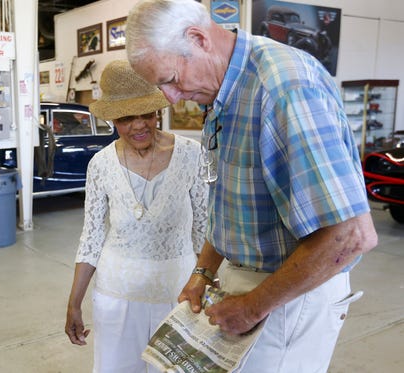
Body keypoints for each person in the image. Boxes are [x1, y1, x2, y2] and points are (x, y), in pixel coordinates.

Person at [125, 1, 379, 372]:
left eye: (170, 79)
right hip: (250, 279)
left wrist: (254, 306)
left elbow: (350, 236)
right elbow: (229, 199)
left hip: (292, 293)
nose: (170, 98)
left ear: (198, 39)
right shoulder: (223, 93)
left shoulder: (284, 87)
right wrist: (203, 272)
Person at [65, 60, 208, 372]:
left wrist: (207, 283)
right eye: (127, 117)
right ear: (113, 119)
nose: (140, 125)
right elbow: (90, 239)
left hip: (178, 295)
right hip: (117, 299)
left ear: (158, 111)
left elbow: (204, 230)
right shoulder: (100, 165)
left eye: (147, 113)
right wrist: (74, 303)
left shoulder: (191, 155)